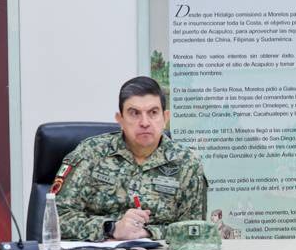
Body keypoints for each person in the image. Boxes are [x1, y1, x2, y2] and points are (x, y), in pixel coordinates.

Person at [54, 76, 208, 241]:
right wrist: (111, 228)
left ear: (165, 118)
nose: (144, 122)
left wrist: (148, 233)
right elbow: (55, 219)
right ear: (120, 119)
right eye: (134, 113)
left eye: (153, 113)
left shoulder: (187, 163)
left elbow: (194, 230)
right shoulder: (90, 153)